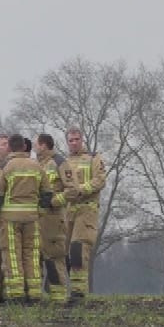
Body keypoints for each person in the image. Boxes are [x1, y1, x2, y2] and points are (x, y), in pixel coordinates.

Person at [57, 127, 108, 300]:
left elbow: (100, 180)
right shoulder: (64, 162)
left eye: (76, 139)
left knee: (78, 250)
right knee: (64, 253)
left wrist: (82, 190)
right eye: (70, 140)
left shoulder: (94, 158)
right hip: (68, 212)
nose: (74, 143)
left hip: (86, 210)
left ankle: (78, 292)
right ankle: (64, 290)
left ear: (82, 139)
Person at [0, 134, 46, 302]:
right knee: (31, 255)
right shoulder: (37, 167)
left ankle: (16, 294)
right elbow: (46, 194)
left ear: (10, 148)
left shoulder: (7, 167)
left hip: (10, 219)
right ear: (25, 147)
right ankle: (34, 293)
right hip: (32, 218)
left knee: (13, 255)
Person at [33, 133, 69, 302]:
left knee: (54, 257)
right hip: (38, 218)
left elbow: (73, 189)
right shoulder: (37, 165)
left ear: (43, 145)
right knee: (36, 256)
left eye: (36, 144)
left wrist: (55, 202)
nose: (34, 147)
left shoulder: (60, 162)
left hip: (54, 219)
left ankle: (58, 297)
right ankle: (36, 295)